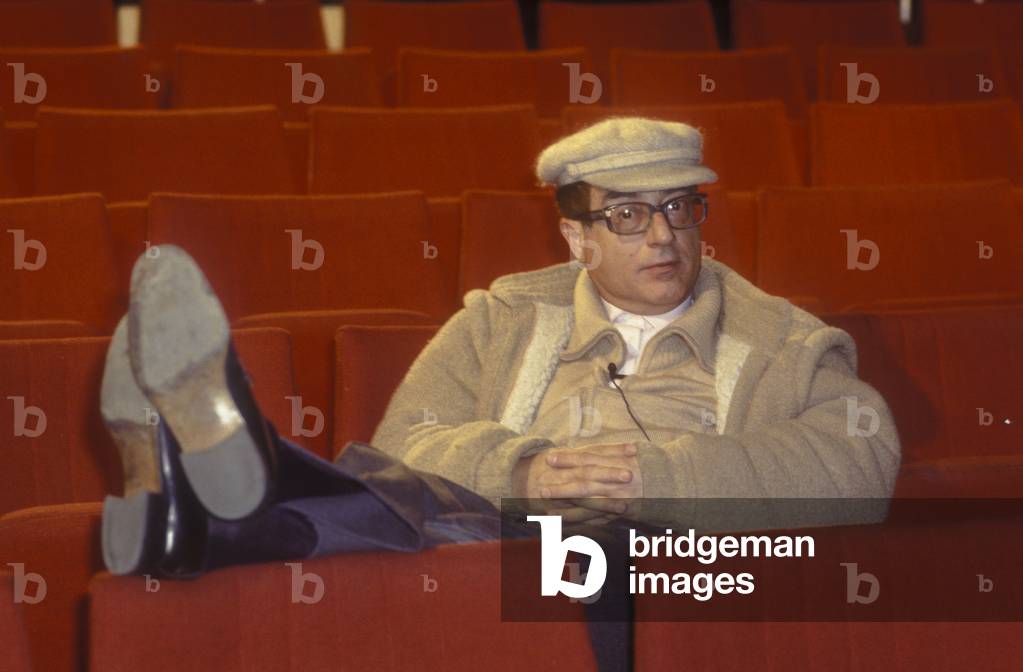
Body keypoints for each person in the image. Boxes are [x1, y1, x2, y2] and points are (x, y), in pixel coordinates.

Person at [97, 117, 899, 671]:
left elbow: (860, 463)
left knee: (558, 541)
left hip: (666, 559)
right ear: (576, 238)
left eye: (678, 210)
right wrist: (525, 470)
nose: (662, 237)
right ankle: (209, 508)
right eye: (627, 216)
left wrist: (653, 478)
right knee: (401, 490)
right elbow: (408, 438)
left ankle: (216, 505)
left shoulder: (780, 339)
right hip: (492, 528)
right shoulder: (503, 317)